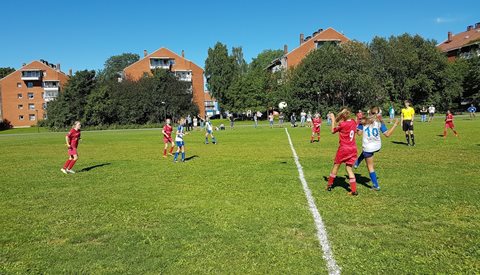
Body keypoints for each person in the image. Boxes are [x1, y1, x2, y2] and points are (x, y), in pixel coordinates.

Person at [354, 107, 399, 190]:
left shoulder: (363, 121)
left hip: (368, 148)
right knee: (365, 152)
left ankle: (376, 185)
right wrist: (395, 124)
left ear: (369, 113)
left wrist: (357, 126)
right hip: (377, 146)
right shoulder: (379, 122)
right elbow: (387, 134)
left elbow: (359, 133)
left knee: (370, 166)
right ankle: (357, 162)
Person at [326, 108, 358, 196]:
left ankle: (329, 185)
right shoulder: (353, 122)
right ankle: (354, 190)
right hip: (353, 148)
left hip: (344, 148)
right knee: (349, 168)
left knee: (336, 166)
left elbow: (333, 131)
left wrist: (333, 120)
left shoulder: (342, 124)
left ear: (342, 116)